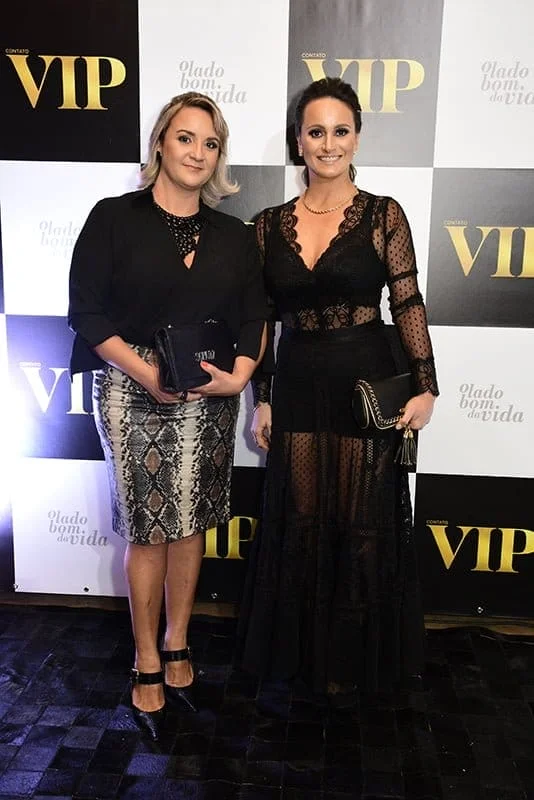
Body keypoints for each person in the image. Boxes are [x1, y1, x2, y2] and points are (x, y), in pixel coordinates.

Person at [68, 91, 267, 739]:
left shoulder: (234, 235)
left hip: (208, 392)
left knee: (190, 523)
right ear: (160, 142)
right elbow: (86, 313)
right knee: (148, 527)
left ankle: (179, 640)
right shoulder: (113, 218)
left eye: (211, 143)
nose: (198, 153)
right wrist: (148, 374)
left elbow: (255, 315)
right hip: (132, 388)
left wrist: (241, 374)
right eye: (186, 138)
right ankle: (146, 656)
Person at [238, 77, 439, 700]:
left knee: (361, 523)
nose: (329, 143)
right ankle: (303, 661)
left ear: (357, 137)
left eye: (341, 131)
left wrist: (426, 387)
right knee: (300, 519)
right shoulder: (266, 225)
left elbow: (406, 302)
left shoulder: (383, 215)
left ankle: (353, 665)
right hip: (298, 383)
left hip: (363, 387)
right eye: (316, 131)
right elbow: (263, 320)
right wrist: (263, 398)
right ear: (298, 141)